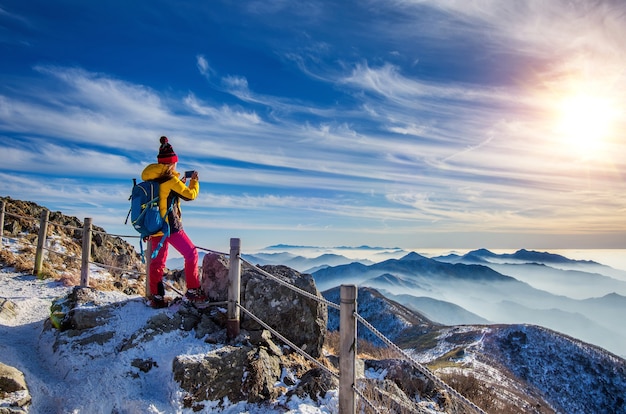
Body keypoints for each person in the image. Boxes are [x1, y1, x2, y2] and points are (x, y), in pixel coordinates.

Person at [141, 136, 206, 308]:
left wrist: (180, 183)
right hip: (170, 226)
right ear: (171, 163)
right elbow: (190, 195)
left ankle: (156, 297)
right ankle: (192, 291)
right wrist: (194, 181)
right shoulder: (170, 179)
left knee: (157, 262)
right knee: (191, 253)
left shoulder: (152, 179)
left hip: (154, 226)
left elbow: (164, 196)